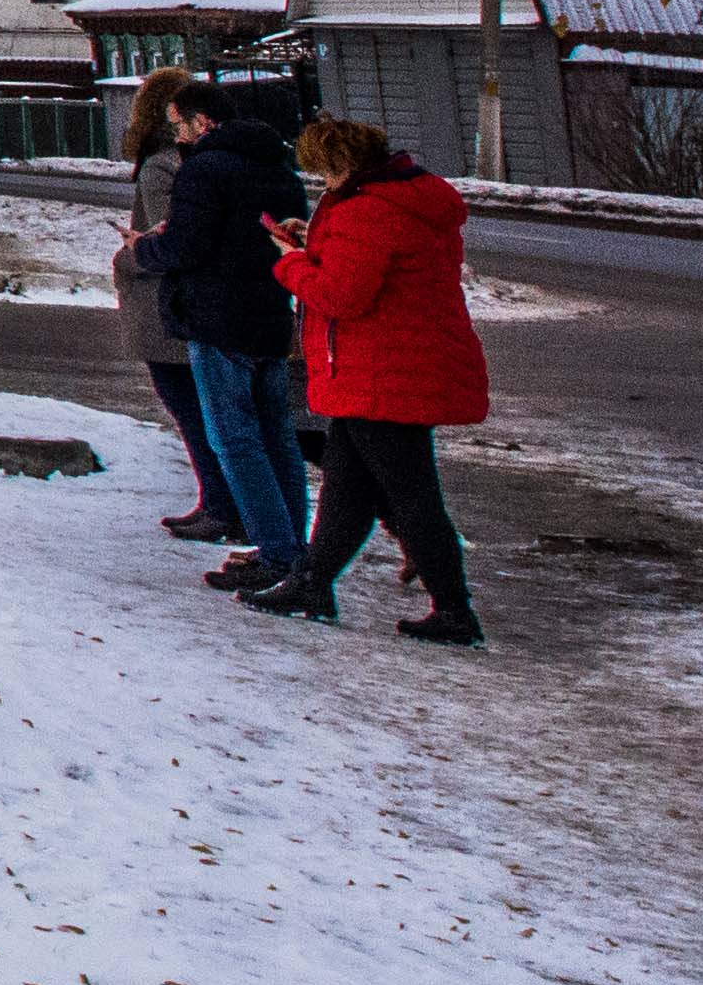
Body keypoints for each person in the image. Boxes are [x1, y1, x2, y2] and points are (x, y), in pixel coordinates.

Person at [267, 112, 491, 644]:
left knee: (412, 497)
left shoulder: (367, 211)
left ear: (342, 164)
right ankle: (313, 585)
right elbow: (365, 268)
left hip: (379, 371)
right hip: (401, 365)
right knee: (347, 486)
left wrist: (292, 263)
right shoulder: (406, 197)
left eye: (323, 173)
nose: (322, 184)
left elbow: (342, 296)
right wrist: (315, 244)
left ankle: (456, 613)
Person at [144, 79, 318, 598]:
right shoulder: (277, 167)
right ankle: (293, 547)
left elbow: (186, 246)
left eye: (178, 124)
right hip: (269, 314)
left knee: (235, 440)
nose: (177, 134)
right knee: (277, 438)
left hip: (217, 319)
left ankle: (276, 551)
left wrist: (146, 250)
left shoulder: (204, 169)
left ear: (202, 122)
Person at [109, 74, 241, 541]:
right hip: (193, 300)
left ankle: (222, 504)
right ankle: (225, 502)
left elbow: (172, 234)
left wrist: (131, 253)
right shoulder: (202, 160)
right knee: (207, 408)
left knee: (190, 406)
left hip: (166, 302)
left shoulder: (161, 166)